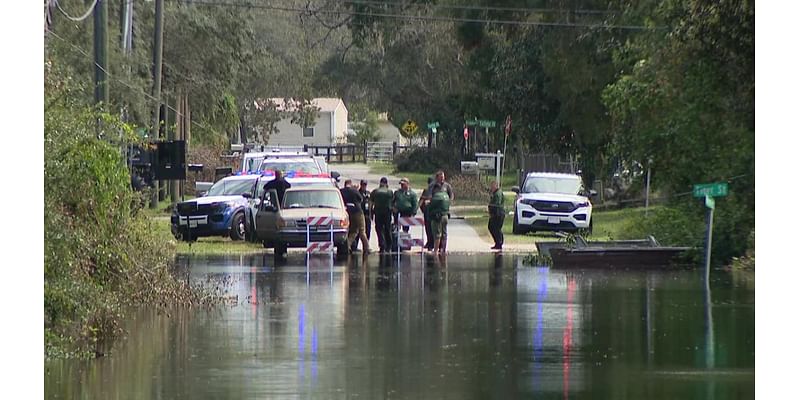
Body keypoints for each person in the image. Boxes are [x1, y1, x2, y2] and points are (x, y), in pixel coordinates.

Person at [340, 179, 369, 254]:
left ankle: (348, 246)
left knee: (353, 231)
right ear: (350, 184)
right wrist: (355, 189)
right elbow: (360, 198)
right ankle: (366, 248)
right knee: (362, 231)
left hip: (349, 213)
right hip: (358, 212)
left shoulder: (341, 191)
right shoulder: (353, 191)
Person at [370, 177, 394, 252]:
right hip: (387, 212)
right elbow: (392, 203)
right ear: (386, 183)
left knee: (379, 229)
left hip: (378, 212)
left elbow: (371, 204)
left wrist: (371, 213)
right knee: (387, 228)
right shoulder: (390, 192)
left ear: (380, 183)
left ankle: (382, 245)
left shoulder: (375, 191)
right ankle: (389, 245)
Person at [428, 183, 450, 254]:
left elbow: (431, 207)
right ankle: (443, 249)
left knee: (437, 234)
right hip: (445, 216)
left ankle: (436, 250)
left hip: (438, 217)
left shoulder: (436, 196)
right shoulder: (446, 195)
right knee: (444, 233)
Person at [351, 179, 372, 252]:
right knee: (358, 231)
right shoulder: (358, 193)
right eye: (363, 185)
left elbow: (371, 203)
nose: (364, 186)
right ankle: (354, 246)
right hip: (360, 214)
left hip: (368, 215)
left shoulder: (368, 193)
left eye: (365, 185)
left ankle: (366, 246)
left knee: (368, 231)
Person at [487, 181, 505, 250]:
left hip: (498, 214)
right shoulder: (495, 193)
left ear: (496, 186)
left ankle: (499, 243)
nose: (491, 188)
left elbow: (497, 204)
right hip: (495, 214)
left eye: (492, 187)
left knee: (495, 228)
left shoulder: (498, 194)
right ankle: (497, 242)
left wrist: (492, 211)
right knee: (493, 228)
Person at [419, 177, 435, 250]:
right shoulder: (436, 191)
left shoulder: (426, 191)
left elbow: (421, 203)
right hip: (433, 212)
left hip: (427, 213)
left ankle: (430, 243)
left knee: (428, 229)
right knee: (433, 229)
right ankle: (433, 243)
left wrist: (423, 210)